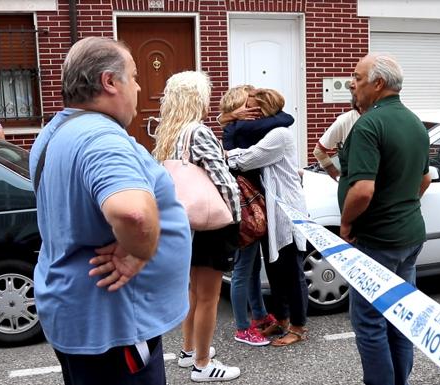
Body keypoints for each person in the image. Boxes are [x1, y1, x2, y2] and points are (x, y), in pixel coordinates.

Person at [28, 36, 191, 385]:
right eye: (133, 77)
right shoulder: (100, 138)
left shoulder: (56, 131)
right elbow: (134, 214)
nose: (137, 87)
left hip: (81, 316)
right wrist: (139, 253)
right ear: (109, 81)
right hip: (116, 326)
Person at [337, 53, 431, 385]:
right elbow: (425, 179)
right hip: (409, 236)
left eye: (357, 78)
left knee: (369, 321)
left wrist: (346, 224)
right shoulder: (415, 122)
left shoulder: (369, 124)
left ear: (378, 84)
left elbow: (362, 190)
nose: (352, 83)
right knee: (399, 316)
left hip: (376, 241)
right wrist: (400, 204)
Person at [153, 71, 242, 382]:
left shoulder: (170, 132)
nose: (208, 102)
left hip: (185, 223)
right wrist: (238, 216)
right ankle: (203, 364)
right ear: (196, 98)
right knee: (209, 296)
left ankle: (189, 349)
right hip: (211, 224)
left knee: (193, 290)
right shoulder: (198, 132)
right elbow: (224, 181)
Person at [227, 88, 309, 347]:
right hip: (271, 213)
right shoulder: (268, 132)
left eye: (250, 105)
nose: (246, 110)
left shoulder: (279, 134)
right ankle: (282, 320)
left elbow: (246, 160)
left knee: (291, 272)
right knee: (274, 270)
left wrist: (226, 154)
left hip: (286, 213)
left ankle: (298, 326)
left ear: (261, 108)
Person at [313, 96, 360, 180]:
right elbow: (319, 151)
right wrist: (336, 175)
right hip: (353, 183)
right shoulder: (345, 120)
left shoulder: (381, 118)